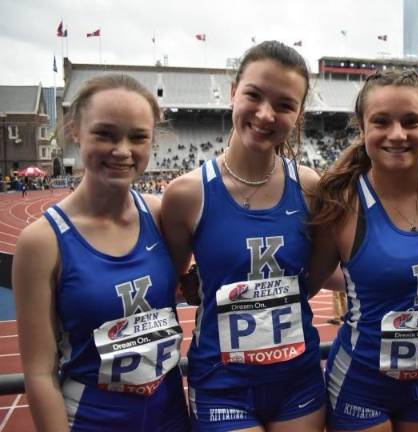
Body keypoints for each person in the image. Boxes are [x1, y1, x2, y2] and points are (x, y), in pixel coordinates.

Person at [161, 40, 325, 432]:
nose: (266, 114)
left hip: (298, 380)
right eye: (254, 95)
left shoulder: (310, 188)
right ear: (234, 92)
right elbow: (168, 287)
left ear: (299, 114)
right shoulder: (187, 194)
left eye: (285, 105)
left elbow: (312, 278)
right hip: (222, 384)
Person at [12, 74, 190, 432]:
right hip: (93, 421)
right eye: (105, 134)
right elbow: (40, 372)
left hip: (172, 416)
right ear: (76, 131)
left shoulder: (161, 215)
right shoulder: (42, 242)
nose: (122, 150)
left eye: (138, 137)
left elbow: (181, 289)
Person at [308, 70, 418, 432]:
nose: (397, 134)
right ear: (362, 129)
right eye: (381, 121)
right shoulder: (342, 203)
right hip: (361, 384)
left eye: (411, 121)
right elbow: (307, 281)